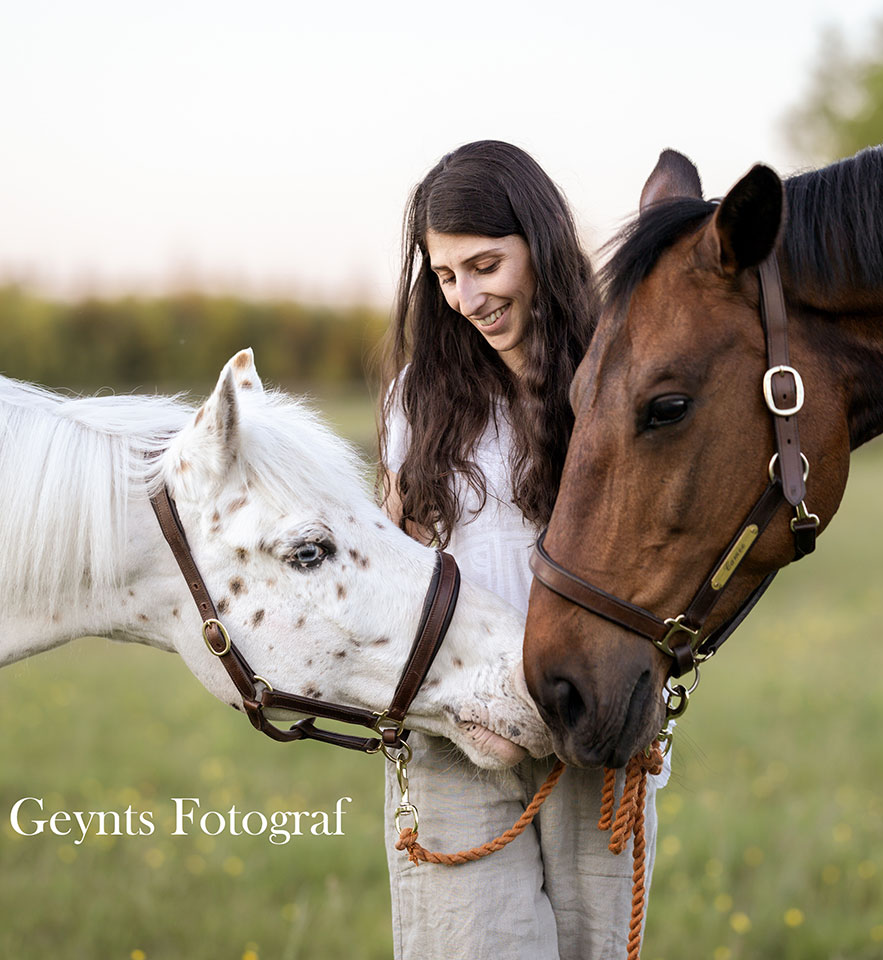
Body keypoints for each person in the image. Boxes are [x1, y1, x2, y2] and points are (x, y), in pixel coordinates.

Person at [377, 140, 664, 960]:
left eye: (486, 265)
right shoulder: (421, 399)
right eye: (444, 276)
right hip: (459, 732)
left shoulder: (615, 380)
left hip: (592, 720)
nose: (466, 297)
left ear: (538, 246)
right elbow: (398, 561)